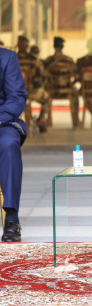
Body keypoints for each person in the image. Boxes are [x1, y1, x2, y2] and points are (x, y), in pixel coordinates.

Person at [0, 46, 28, 242]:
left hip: (2, 122)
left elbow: (16, 98)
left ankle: (11, 218)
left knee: (9, 143)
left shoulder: (7, 58)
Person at [16, 35, 50, 133]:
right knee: (47, 99)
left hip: (12, 93)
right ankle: (40, 120)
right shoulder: (34, 60)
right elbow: (40, 78)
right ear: (27, 46)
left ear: (18, 45)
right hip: (30, 92)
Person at [44, 36, 79, 128]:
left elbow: (43, 75)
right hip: (67, 90)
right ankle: (76, 120)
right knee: (75, 92)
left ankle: (48, 119)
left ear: (53, 46)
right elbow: (77, 76)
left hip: (51, 91)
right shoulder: (69, 60)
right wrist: (71, 85)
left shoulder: (47, 61)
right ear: (62, 47)